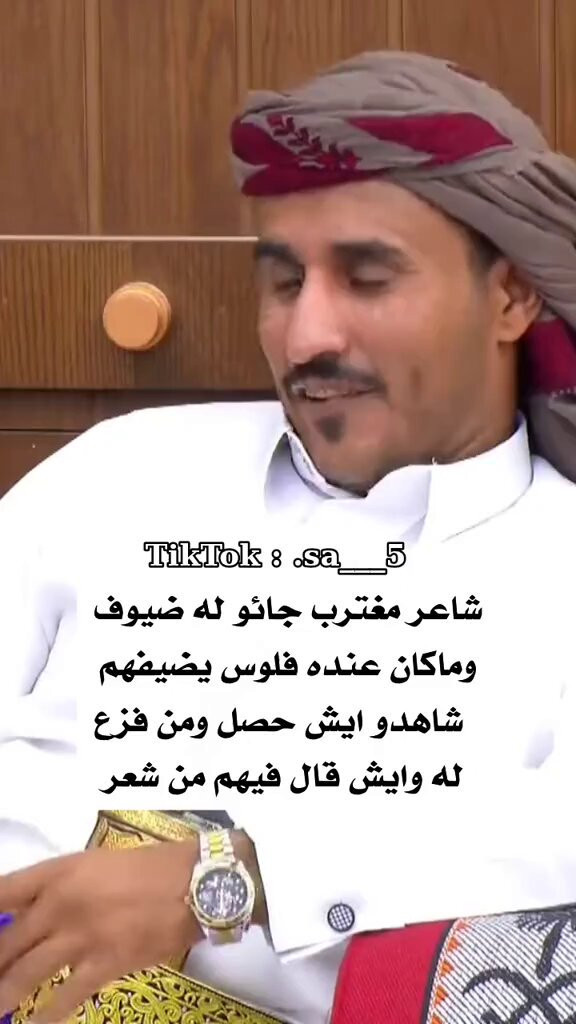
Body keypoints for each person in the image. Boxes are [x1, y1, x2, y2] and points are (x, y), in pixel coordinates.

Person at [1, 49, 576, 1024]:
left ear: (512, 297)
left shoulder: (560, 559)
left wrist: (226, 878)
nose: (307, 337)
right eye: (283, 284)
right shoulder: (121, 472)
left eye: (368, 279)